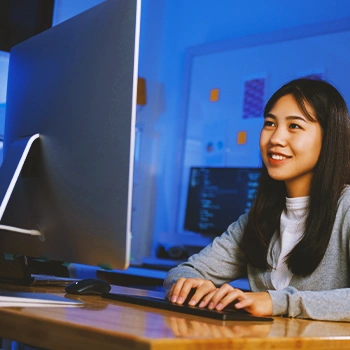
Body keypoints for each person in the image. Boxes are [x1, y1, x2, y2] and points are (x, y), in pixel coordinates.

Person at [163, 78, 350, 321]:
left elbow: (278, 304)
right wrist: (195, 287)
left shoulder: (346, 208)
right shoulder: (259, 218)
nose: (275, 139)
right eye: (270, 123)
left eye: (294, 126)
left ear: (329, 139)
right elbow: (184, 272)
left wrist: (276, 301)